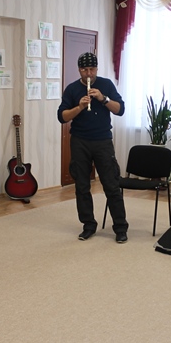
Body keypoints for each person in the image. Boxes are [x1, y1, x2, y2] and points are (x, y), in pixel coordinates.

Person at [57, 52, 129, 243]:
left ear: (97, 68)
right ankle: (88, 225)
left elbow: (120, 110)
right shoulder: (72, 89)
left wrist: (103, 99)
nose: (88, 74)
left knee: (111, 185)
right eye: (84, 70)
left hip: (103, 141)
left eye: (92, 69)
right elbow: (62, 117)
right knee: (82, 186)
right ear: (79, 70)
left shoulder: (106, 85)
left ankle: (120, 227)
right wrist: (80, 107)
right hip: (79, 141)